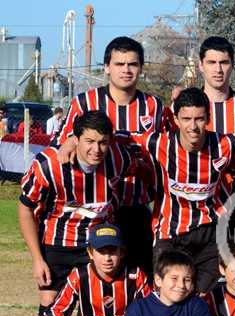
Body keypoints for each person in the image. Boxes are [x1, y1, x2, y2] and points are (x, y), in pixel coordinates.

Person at [19, 111, 140, 316]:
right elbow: (25, 209)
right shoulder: (49, 164)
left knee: (105, 308)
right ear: (75, 139)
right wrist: (37, 259)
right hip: (57, 246)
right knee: (50, 308)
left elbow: (142, 154)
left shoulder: (118, 159)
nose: (96, 149)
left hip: (99, 247)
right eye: (89, 141)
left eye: (102, 142)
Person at [127, 87, 235, 294]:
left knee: (203, 298)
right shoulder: (158, 143)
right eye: (186, 119)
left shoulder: (224, 143)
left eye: (199, 119)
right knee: (170, 294)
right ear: (175, 119)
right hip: (171, 234)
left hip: (209, 235)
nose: (193, 126)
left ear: (208, 118)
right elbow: (117, 137)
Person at [54, 36, 167, 275]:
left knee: (140, 278)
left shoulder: (154, 106)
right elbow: (62, 148)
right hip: (96, 210)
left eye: (132, 64)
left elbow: (167, 151)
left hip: (137, 208)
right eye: (119, 64)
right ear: (107, 67)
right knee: (95, 280)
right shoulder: (85, 102)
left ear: (141, 68)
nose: (126, 70)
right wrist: (71, 141)